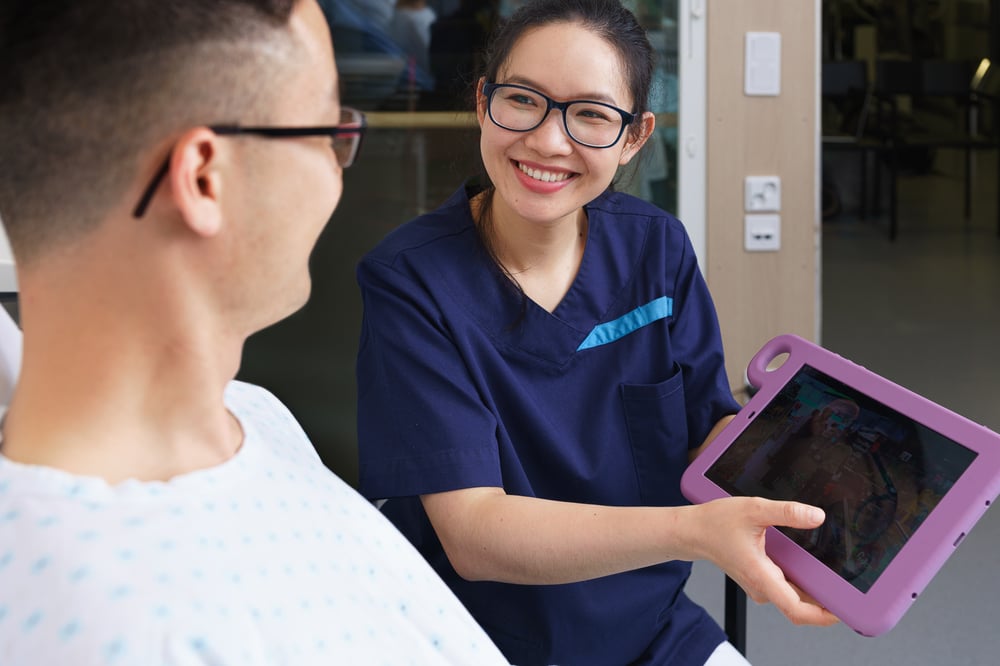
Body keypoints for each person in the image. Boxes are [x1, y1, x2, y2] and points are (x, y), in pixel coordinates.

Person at [0, 1, 508, 664]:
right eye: (327, 129)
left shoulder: (252, 414)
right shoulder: (124, 632)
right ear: (205, 178)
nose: (337, 169)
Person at [355, 1, 839, 664]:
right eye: (523, 99)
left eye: (590, 114)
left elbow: (709, 434)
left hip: (649, 628)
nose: (549, 142)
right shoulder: (412, 281)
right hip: (475, 640)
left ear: (635, 136)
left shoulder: (655, 249)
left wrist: (793, 456)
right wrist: (696, 533)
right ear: (482, 102)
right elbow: (473, 533)